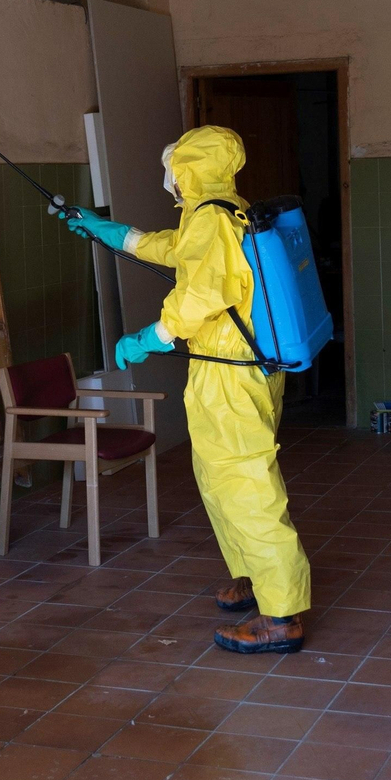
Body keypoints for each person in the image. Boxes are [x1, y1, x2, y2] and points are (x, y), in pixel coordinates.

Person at [66, 126, 311, 653]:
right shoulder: (223, 210)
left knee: (246, 485)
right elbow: (177, 250)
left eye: (174, 167)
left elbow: (202, 294)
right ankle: (254, 577)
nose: (170, 178)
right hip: (236, 369)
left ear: (189, 168)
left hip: (231, 373)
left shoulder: (210, 218)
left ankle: (281, 614)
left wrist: (149, 338)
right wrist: (110, 233)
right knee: (220, 479)